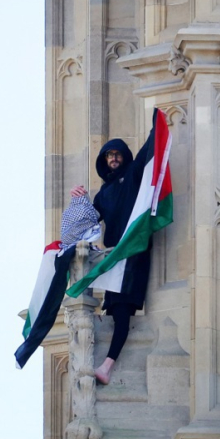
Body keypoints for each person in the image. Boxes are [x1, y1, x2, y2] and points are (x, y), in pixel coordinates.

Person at [70, 139, 152, 384]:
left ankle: (107, 366)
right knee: (113, 307)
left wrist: (159, 117)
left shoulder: (133, 174)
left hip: (134, 251)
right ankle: (105, 366)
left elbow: (148, 151)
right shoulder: (104, 192)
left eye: (117, 154)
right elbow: (88, 222)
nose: (113, 158)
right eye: (109, 155)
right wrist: (79, 200)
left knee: (122, 310)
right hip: (114, 256)